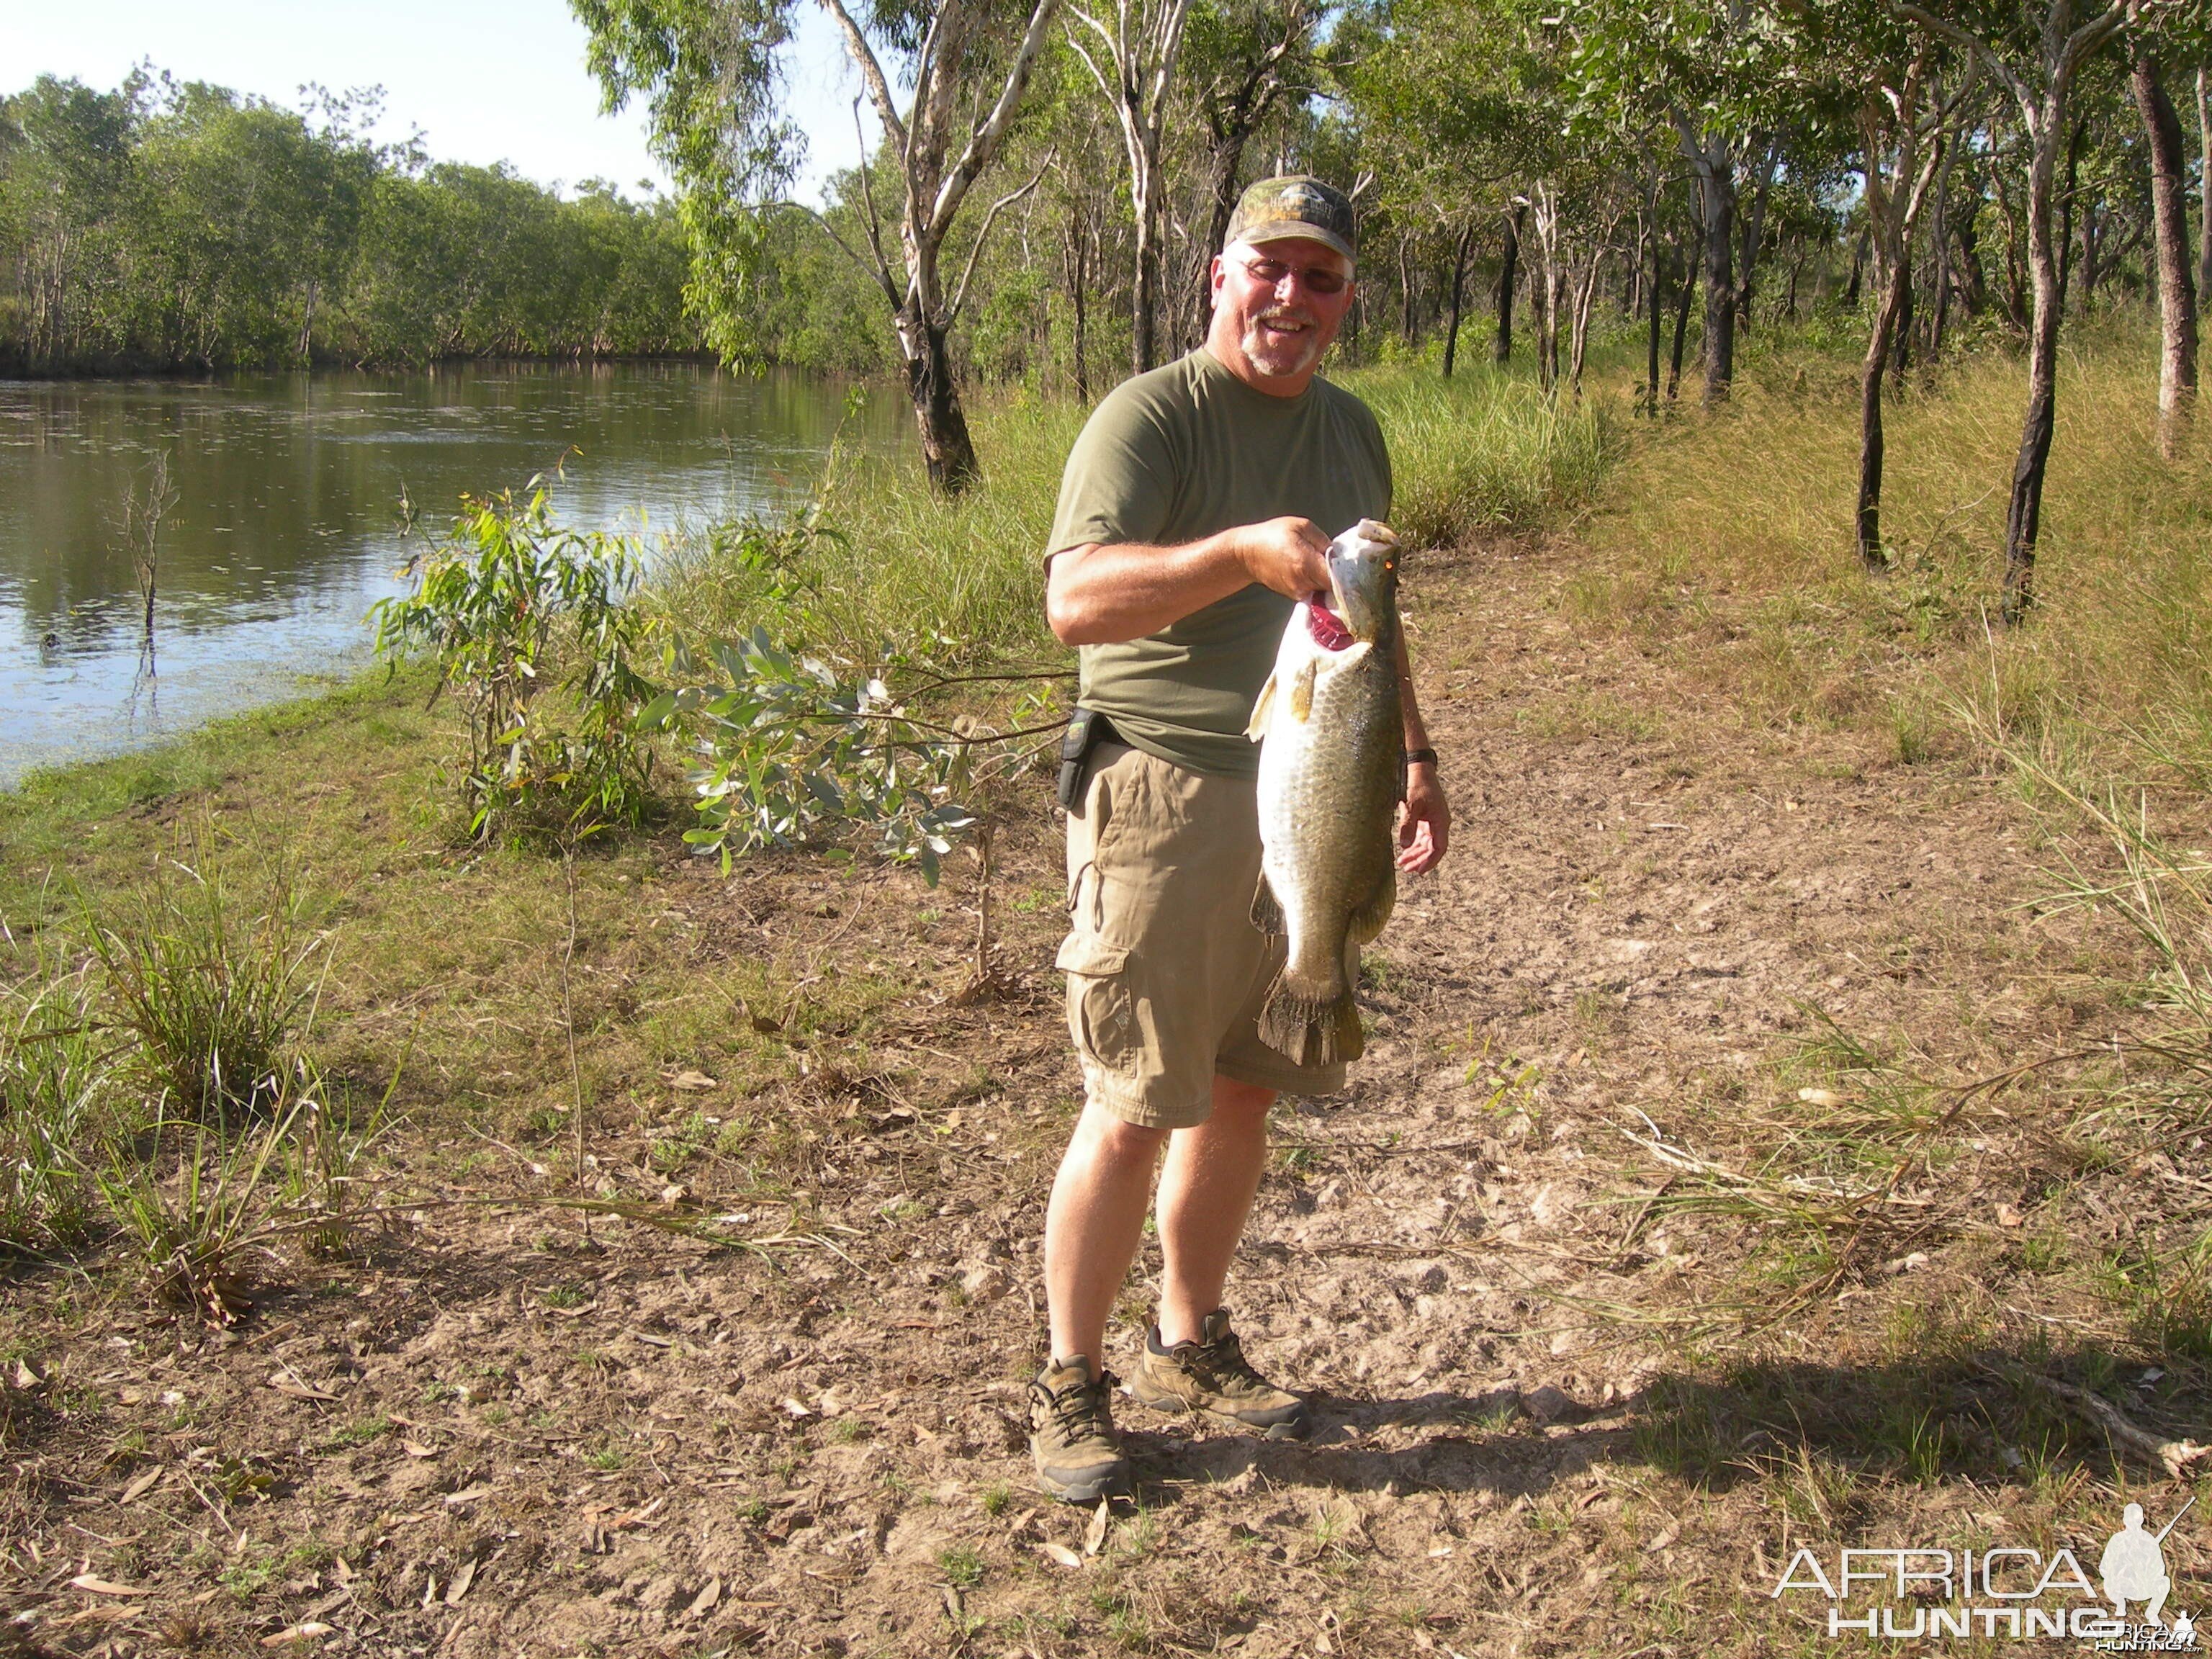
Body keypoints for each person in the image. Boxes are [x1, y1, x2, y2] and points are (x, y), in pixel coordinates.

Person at [1028, 175, 1451, 1502]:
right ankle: (1068, 1381)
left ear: (1347, 298)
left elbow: (1366, 626)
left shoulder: (1356, 432)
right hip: (1163, 796)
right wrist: (1234, 555)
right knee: (1135, 1103)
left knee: (1248, 1086)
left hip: (1310, 792)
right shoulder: (1148, 417)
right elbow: (1074, 605)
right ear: (1222, 274)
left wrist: (1419, 755)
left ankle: (1189, 1341)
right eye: (1271, 269)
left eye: (1321, 278)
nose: (1293, 299)